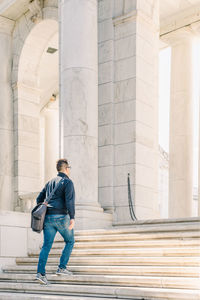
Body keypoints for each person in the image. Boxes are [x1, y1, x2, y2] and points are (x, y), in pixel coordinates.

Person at [36, 158, 75, 285]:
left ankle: (40, 274)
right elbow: (69, 201)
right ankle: (62, 267)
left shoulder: (49, 182)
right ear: (66, 168)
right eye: (69, 167)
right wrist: (72, 217)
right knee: (70, 241)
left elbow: (39, 199)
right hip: (61, 217)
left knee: (46, 246)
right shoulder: (67, 182)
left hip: (47, 218)